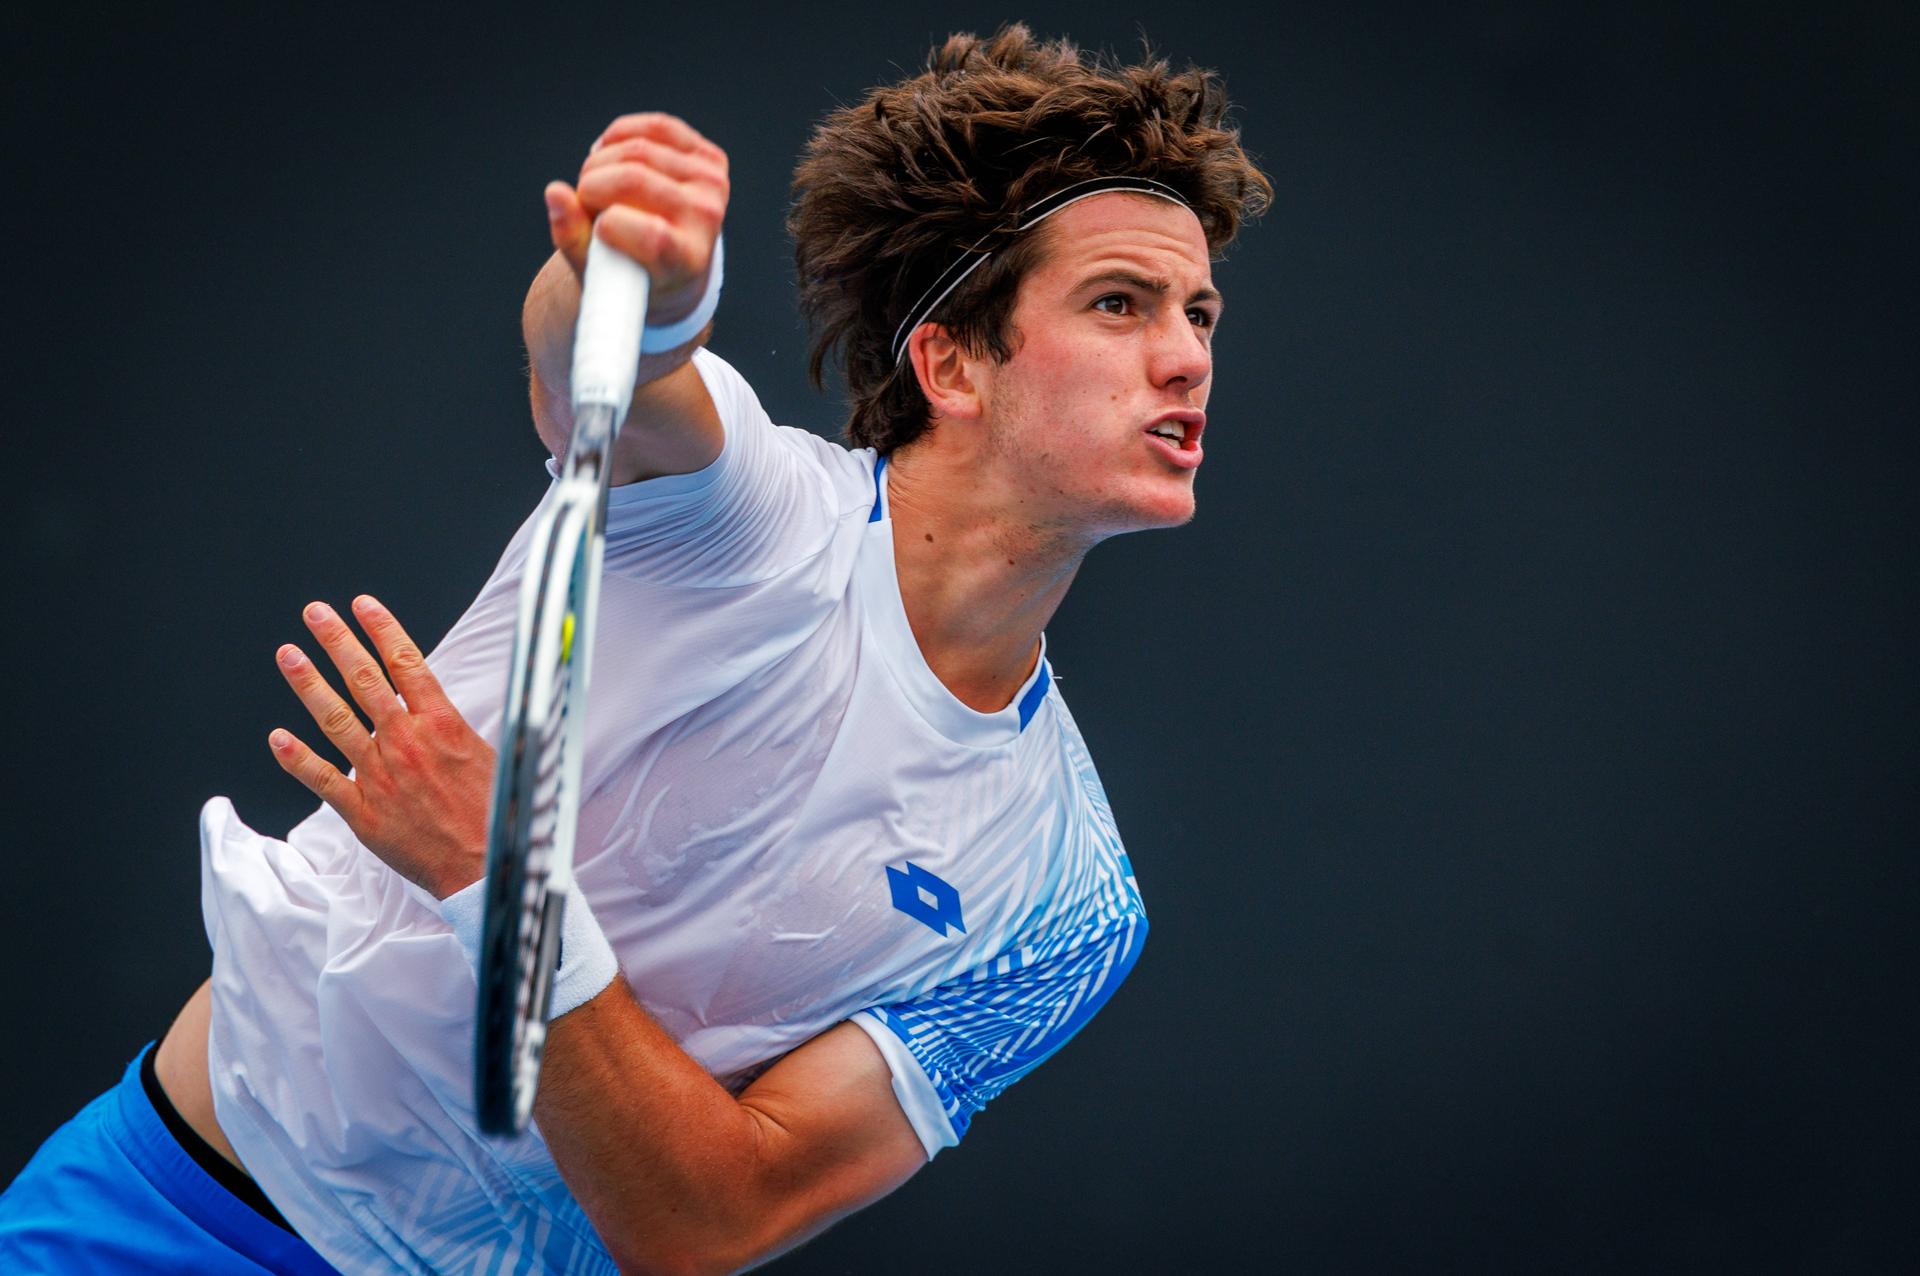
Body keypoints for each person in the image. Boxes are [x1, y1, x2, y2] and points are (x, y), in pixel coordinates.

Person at [0, 24, 1269, 1275]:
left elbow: (710, 1224)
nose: (1187, 357)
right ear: (950, 362)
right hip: (156, 1221)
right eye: (1122, 304)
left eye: (1201, 315)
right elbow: (597, 364)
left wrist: (497, 880)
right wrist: (648, 279)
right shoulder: (749, 508)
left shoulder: (1070, 906)